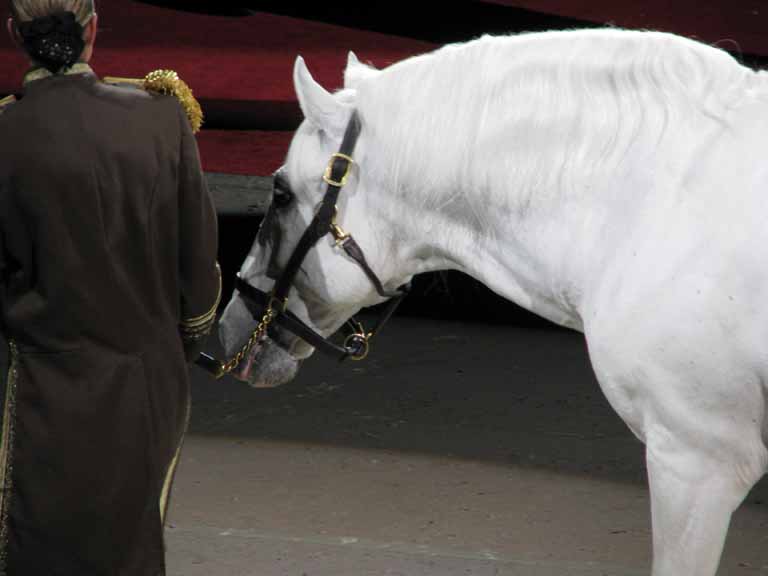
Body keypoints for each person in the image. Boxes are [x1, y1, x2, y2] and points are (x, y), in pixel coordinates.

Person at [0, 0, 220, 573]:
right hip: (145, 382)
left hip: (36, 394)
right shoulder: (161, 116)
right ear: (94, 28)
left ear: (15, 35)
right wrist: (181, 345)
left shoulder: (6, 130)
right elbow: (197, 276)